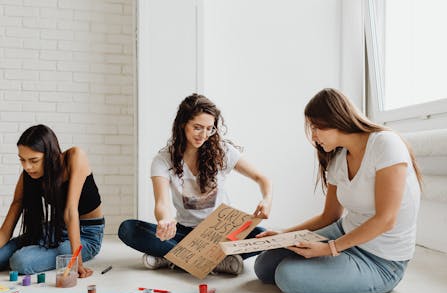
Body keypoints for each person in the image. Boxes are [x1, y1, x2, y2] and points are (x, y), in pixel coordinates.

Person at [254, 88, 422, 293]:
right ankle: (333, 259)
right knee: (264, 266)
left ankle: (340, 263)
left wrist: (330, 249)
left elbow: (386, 219)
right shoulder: (338, 157)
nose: (313, 137)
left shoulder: (385, 144)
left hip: (381, 260)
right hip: (345, 232)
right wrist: (284, 234)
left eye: (316, 128)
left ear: (335, 120)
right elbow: (329, 216)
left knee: (287, 276)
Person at [118, 93, 272, 275]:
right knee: (128, 229)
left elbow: (261, 178)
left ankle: (171, 257)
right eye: (197, 128)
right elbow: (162, 203)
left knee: (263, 235)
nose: (204, 135)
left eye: (209, 129)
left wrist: (267, 199)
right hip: (185, 233)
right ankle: (215, 260)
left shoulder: (222, 152)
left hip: (222, 233)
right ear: (183, 124)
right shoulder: (163, 160)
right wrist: (165, 221)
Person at [0, 124, 104, 277]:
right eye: (22, 160)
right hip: (55, 229)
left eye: (34, 160)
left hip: (86, 235)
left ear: (50, 154)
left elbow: (70, 211)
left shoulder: (75, 157)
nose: (27, 167)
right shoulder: (29, 174)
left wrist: (76, 262)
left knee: (20, 262)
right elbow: (12, 214)